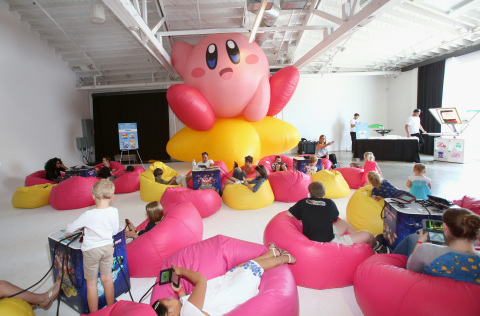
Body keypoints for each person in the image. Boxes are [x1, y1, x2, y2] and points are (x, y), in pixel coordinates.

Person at [151, 243, 296, 316]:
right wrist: (182, 271)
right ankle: (285, 258)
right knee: (251, 267)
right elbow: (201, 280)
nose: (170, 297)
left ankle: (273, 252)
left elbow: (187, 301)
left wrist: (180, 290)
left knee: (239, 267)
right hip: (234, 293)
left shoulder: (185, 309)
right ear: (170, 314)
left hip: (223, 287)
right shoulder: (188, 312)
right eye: (168, 301)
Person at [65, 179, 119, 313]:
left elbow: (70, 230)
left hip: (91, 251)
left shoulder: (88, 215)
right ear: (112, 196)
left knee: (91, 284)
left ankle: (94, 313)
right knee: (107, 279)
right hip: (107, 248)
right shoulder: (114, 211)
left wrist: (70, 227)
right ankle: (110, 308)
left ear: (93, 196)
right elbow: (115, 231)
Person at [287, 181, 388, 253]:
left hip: (311, 238)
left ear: (309, 193)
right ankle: (376, 247)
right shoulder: (329, 203)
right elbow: (335, 218)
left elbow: (289, 214)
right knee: (368, 235)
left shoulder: (303, 202)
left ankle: (357, 240)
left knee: (343, 223)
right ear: (324, 193)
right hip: (328, 242)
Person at [392, 208, 480, 285]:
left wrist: (420, 242)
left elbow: (411, 269)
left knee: (413, 237)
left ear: (444, 227)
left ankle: (391, 261)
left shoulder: (427, 249)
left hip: (427, 292)